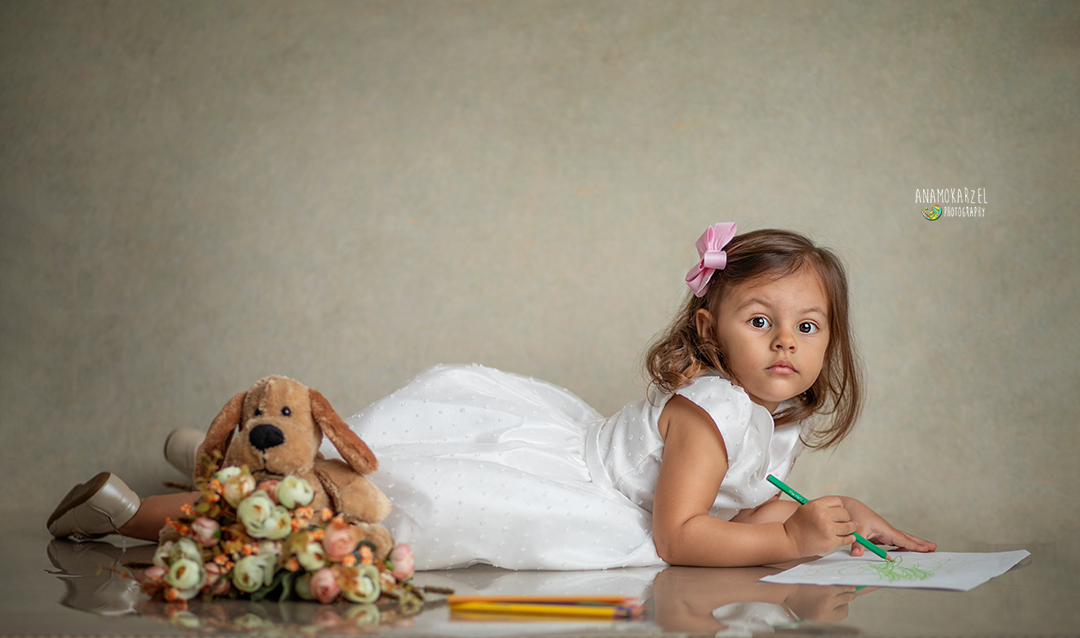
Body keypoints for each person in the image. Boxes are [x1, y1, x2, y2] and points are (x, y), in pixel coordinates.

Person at [48, 223, 936, 570]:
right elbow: (681, 535)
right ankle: (134, 513)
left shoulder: (760, 414)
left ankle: (221, 462)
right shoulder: (713, 411)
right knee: (338, 517)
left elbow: (734, 506)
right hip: (558, 485)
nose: (786, 343)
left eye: (809, 326)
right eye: (761, 320)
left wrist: (827, 513)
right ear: (710, 330)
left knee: (343, 484)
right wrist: (789, 539)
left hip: (561, 449)